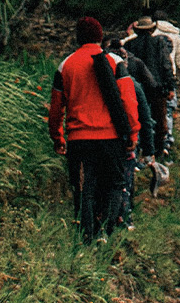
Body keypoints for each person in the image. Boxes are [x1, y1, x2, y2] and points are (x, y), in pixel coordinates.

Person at [47, 17, 139, 240]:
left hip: (79, 139)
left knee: (84, 188)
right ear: (101, 37)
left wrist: (58, 138)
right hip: (111, 137)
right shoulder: (115, 62)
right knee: (114, 184)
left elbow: (56, 108)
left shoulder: (65, 65)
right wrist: (133, 132)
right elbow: (128, 100)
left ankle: (87, 236)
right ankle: (105, 232)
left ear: (78, 38)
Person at [106, 36, 157, 226]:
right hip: (128, 141)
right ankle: (125, 217)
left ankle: (108, 219)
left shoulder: (101, 84)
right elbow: (145, 119)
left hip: (106, 138)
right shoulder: (134, 86)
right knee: (126, 181)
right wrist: (149, 151)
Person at [122, 11, 180, 162]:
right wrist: (170, 87)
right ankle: (157, 153)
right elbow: (166, 65)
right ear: (152, 29)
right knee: (160, 121)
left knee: (139, 118)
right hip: (157, 88)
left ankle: (138, 151)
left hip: (136, 87)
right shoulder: (159, 43)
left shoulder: (130, 44)